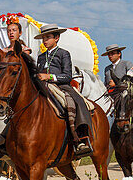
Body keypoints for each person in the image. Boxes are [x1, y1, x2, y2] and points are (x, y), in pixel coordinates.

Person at [34, 24, 92, 156]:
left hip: (60, 85)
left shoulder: (63, 53)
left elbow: (67, 75)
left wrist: (49, 76)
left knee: (75, 101)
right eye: (43, 38)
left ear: (57, 38)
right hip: (42, 86)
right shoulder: (41, 57)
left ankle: (81, 138)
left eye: (48, 37)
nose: (45, 40)